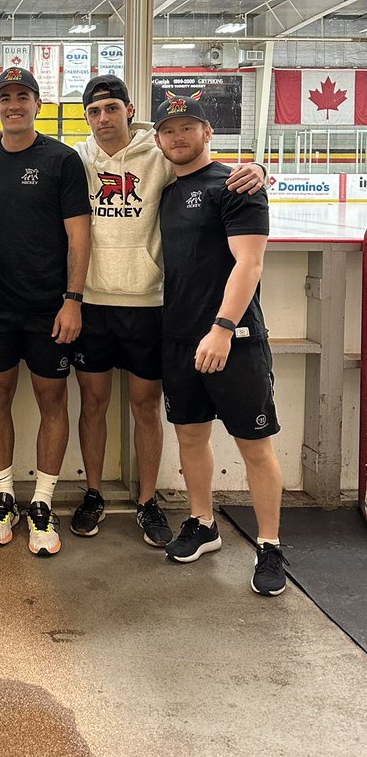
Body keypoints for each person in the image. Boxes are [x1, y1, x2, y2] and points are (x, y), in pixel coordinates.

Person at [69, 74, 265, 547]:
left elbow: (205, 167)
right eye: (94, 111)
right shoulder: (76, 157)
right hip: (92, 302)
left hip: (149, 304)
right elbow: (22, 140)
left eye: (111, 108)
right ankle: (93, 492)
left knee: (145, 407)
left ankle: (146, 499)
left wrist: (257, 167)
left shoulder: (159, 152)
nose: (103, 118)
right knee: (92, 404)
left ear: (129, 111)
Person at [154, 92, 287, 596]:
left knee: (254, 444)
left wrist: (223, 328)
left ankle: (270, 544)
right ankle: (203, 522)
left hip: (234, 338)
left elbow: (249, 263)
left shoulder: (237, 184)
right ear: (159, 138)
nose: (178, 137)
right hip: (180, 336)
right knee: (190, 437)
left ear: (207, 131)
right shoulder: (168, 187)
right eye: (169, 130)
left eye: (188, 127)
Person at [0, 67, 91, 556]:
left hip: (50, 308)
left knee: (52, 401)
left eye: (23, 96)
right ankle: (4, 497)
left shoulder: (61, 160)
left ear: (37, 104)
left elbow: (79, 237)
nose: (13, 105)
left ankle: (41, 503)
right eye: (5, 97)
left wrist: (72, 299)